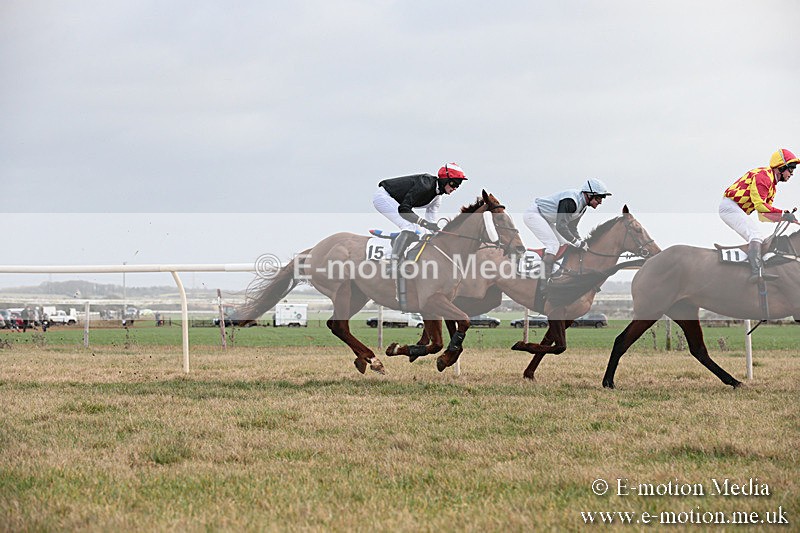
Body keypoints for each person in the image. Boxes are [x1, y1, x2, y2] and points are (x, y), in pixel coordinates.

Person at [719, 148, 798, 283]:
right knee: (756, 236)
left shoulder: (772, 187)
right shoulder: (763, 176)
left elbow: (762, 215)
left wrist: (783, 217)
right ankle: (756, 271)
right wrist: (783, 214)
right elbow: (760, 206)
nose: (792, 173)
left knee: (758, 236)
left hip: (736, 208)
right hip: (730, 207)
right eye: (790, 168)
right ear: (781, 167)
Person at [372, 163, 467, 261]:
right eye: (454, 184)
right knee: (409, 227)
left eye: (458, 186)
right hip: (384, 197)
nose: (455, 188)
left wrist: (442, 233)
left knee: (421, 231)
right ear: (445, 179)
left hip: (396, 202)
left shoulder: (437, 199)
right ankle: (392, 264)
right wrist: (423, 222)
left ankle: (400, 244)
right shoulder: (425, 185)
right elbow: (404, 209)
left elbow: (431, 225)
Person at [523, 178, 612, 281]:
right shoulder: (571, 201)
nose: (600, 202)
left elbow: (572, 228)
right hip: (534, 215)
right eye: (598, 198)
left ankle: (555, 272)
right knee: (553, 245)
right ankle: (543, 280)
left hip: (545, 218)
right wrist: (578, 243)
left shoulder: (582, 207)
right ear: (589, 194)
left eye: (602, 198)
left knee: (565, 243)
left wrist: (582, 242)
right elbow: (561, 227)